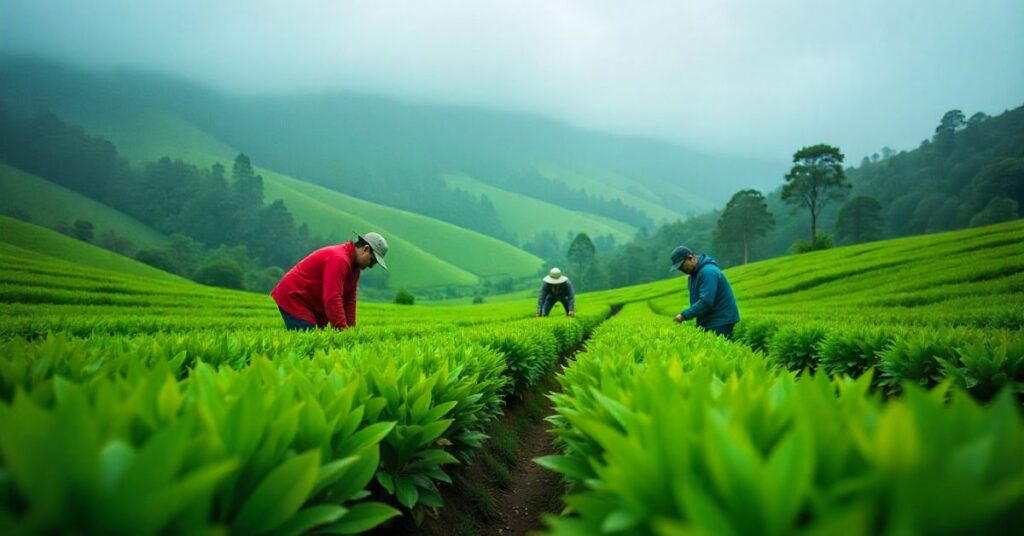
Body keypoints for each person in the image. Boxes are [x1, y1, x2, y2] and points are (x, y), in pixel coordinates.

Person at [271, 232, 388, 330]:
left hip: (311, 303)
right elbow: (332, 297)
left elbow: (349, 300)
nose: (371, 266)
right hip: (295, 298)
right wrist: (342, 330)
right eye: (372, 260)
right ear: (366, 250)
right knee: (310, 338)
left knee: (316, 339)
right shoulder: (339, 259)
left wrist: (351, 331)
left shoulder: (354, 268)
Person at [669, 245, 739, 338]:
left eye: (682, 265)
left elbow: (706, 301)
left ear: (691, 257)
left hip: (720, 321)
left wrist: (683, 316)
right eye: (679, 268)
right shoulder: (694, 274)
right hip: (709, 320)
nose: (682, 270)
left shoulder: (708, 272)